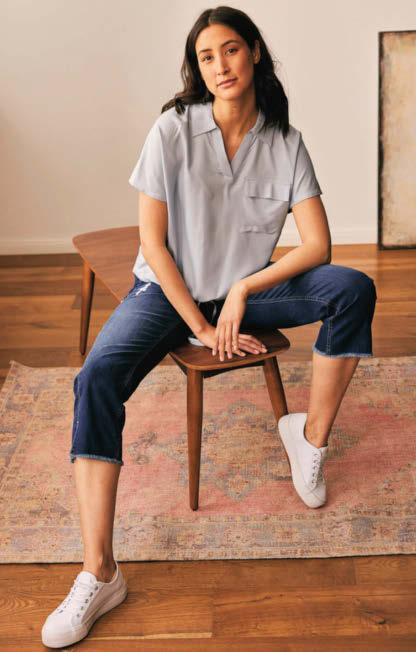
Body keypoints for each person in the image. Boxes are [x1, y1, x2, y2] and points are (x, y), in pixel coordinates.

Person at [42, 5, 377, 648]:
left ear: (254, 52)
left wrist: (245, 289)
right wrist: (198, 322)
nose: (220, 65)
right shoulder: (172, 129)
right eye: (205, 57)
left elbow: (318, 246)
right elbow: (153, 243)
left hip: (242, 294)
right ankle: (99, 572)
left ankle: (308, 440)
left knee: (352, 290)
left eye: (230, 50)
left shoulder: (285, 141)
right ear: (196, 69)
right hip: (168, 293)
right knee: (97, 378)